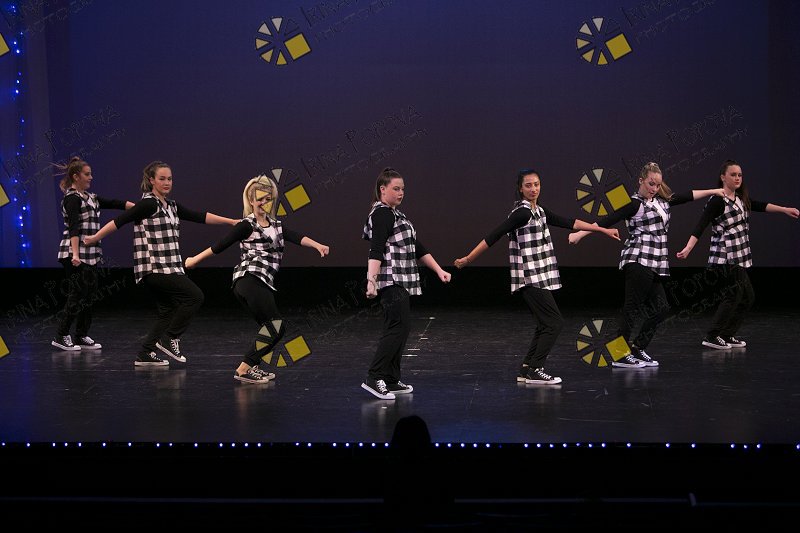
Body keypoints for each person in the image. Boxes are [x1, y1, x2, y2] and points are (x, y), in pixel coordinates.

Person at [454, 168, 620, 384]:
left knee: (545, 324)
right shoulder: (522, 213)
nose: (533, 189)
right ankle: (535, 369)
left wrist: (602, 230)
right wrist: (468, 259)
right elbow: (494, 235)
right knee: (554, 323)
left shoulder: (539, 211)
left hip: (539, 275)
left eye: (536, 184)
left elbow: (570, 222)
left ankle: (527, 368)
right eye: (528, 185)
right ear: (520, 189)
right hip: (529, 276)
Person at [569, 162, 725, 368]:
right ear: (641, 181)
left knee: (661, 309)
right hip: (638, 259)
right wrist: (580, 234)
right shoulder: (634, 203)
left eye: (658, 185)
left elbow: (687, 196)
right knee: (632, 309)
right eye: (651, 184)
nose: (654, 188)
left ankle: (637, 348)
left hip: (655, 263)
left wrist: (714, 191)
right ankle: (619, 355)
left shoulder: (661, 201)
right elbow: (607, 220)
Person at [84, 161, 238, 366]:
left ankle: (145, 353)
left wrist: (231, 222)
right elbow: (119, 221)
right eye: (162, 179)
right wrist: (95, 238)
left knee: (168, 311)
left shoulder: (171, 206)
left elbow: (200, 216)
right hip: (154, 267)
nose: (167, 183)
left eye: (170, 179)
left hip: (170, 267)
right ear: (152, 181)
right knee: (194, 296)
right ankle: (170, 338)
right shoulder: (149, 204)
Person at [184, 175, 330, 383]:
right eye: (259, 199)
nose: (263, 203)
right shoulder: (247, 225)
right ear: (251, 201)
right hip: (250, 279)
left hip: (258, 282)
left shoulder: (276, 226)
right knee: (276, 326)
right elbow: (220, 245)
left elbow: (296, 237)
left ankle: (252, 367)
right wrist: (194, 260)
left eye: (267, 199)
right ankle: (244, 369)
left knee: (270, 328)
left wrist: (317, 245)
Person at [676, 160, 799, 349]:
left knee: (747, 297)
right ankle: (712, 336)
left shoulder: (740, 199)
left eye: (739, 175)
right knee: (734, 295)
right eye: (733, 174)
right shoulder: (717, 200)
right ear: (723, 177)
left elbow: (760, 205)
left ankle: (726, 334)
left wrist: (784, 210)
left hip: (739, 255)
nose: (737, 178)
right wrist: (688, 247)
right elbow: (702, 224)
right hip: (725, 257)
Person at [361, 167, 451, 400]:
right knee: (397, 326)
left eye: (402, 189)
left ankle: (391, 379)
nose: (401, 193)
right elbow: (376, 249)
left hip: (401, 280)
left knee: (402, 326)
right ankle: (374, 377)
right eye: (396, 188)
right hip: (390, 279)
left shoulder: (397, 215)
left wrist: (439, 270)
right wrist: (371, 281)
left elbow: (417, 248)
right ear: (383, 189)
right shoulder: (382, 214)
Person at [52, 156, 134, 351]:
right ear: (76, 176)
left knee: (89, 295)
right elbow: (74, 228)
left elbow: (115, 203)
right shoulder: (72, 199)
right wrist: (75, 255)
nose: (91, 177)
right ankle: (61, 335)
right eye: (87, 174)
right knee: (77, 294)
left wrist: (140, 208)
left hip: (90, 253)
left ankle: (81, 335)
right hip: (74, 253)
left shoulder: (91, 198)